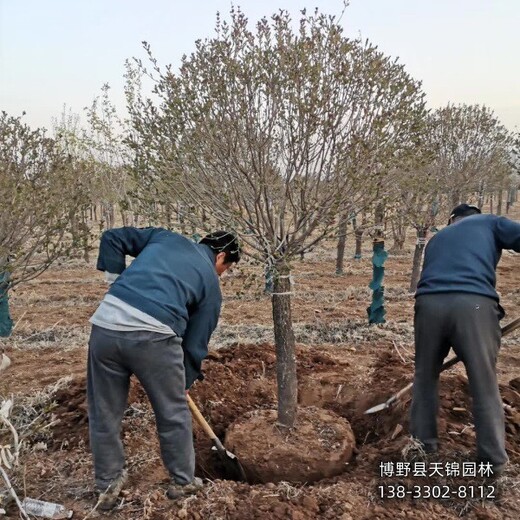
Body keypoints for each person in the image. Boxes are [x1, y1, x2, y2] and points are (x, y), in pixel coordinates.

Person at [87, 227, 241, 510]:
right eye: (227, 268)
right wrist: (185, 379)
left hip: (105, 328)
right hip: (153, 338)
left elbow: (112, 237)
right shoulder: (210, 284)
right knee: (172, 413)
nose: (223, 274)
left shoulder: (164, 237)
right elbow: (196, 343)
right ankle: (183, 481)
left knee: (103, 411)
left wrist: (115, 279)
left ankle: (107, 485)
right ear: (221, 256)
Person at [410, 204, 520, 476]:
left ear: (452, 219)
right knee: (483, 381)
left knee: (425, 377)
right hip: (472, 306)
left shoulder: (438, 238)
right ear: (476, 214)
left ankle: (423, 447)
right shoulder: (490, 222)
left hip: (428, 305)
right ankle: (492, 462)